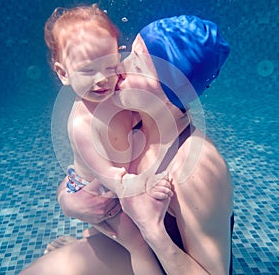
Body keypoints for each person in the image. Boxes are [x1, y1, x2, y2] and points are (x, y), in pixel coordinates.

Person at [21, 14, 233, 275]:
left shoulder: (197, 167)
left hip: (164, 260)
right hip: (131, 237)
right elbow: (84, 168)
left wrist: (153, 231)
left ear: (171, 90)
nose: (120, 67)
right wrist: (69, 201)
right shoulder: (131, 114)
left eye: (139, 66)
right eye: (130, 53)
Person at [31, 4, 172, 275]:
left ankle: (88, 242)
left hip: (112, 183)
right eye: (87, 71)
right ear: (63, 73)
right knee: (138, 242)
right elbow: (108, 174)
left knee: (109, 235)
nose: (102, 79)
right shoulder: (81, 122)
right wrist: (146, 184)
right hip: (96, 189)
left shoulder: (118, 96)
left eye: (109, 66)